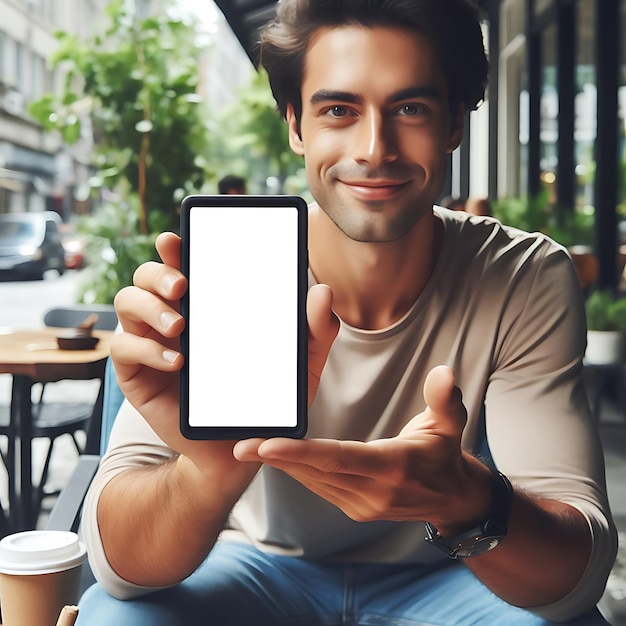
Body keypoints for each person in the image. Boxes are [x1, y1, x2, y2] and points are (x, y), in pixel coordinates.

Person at [77, 1, 618, 624]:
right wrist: (208, 474)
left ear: (454, 126)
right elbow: (119, 572)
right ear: (296, 127)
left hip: (448, 577)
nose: (374, 149)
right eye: (339, 110)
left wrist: (467, 500)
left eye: (410, 108)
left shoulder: (522, 275)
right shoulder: (229, 265)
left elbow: (576, 577)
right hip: (253, 565)